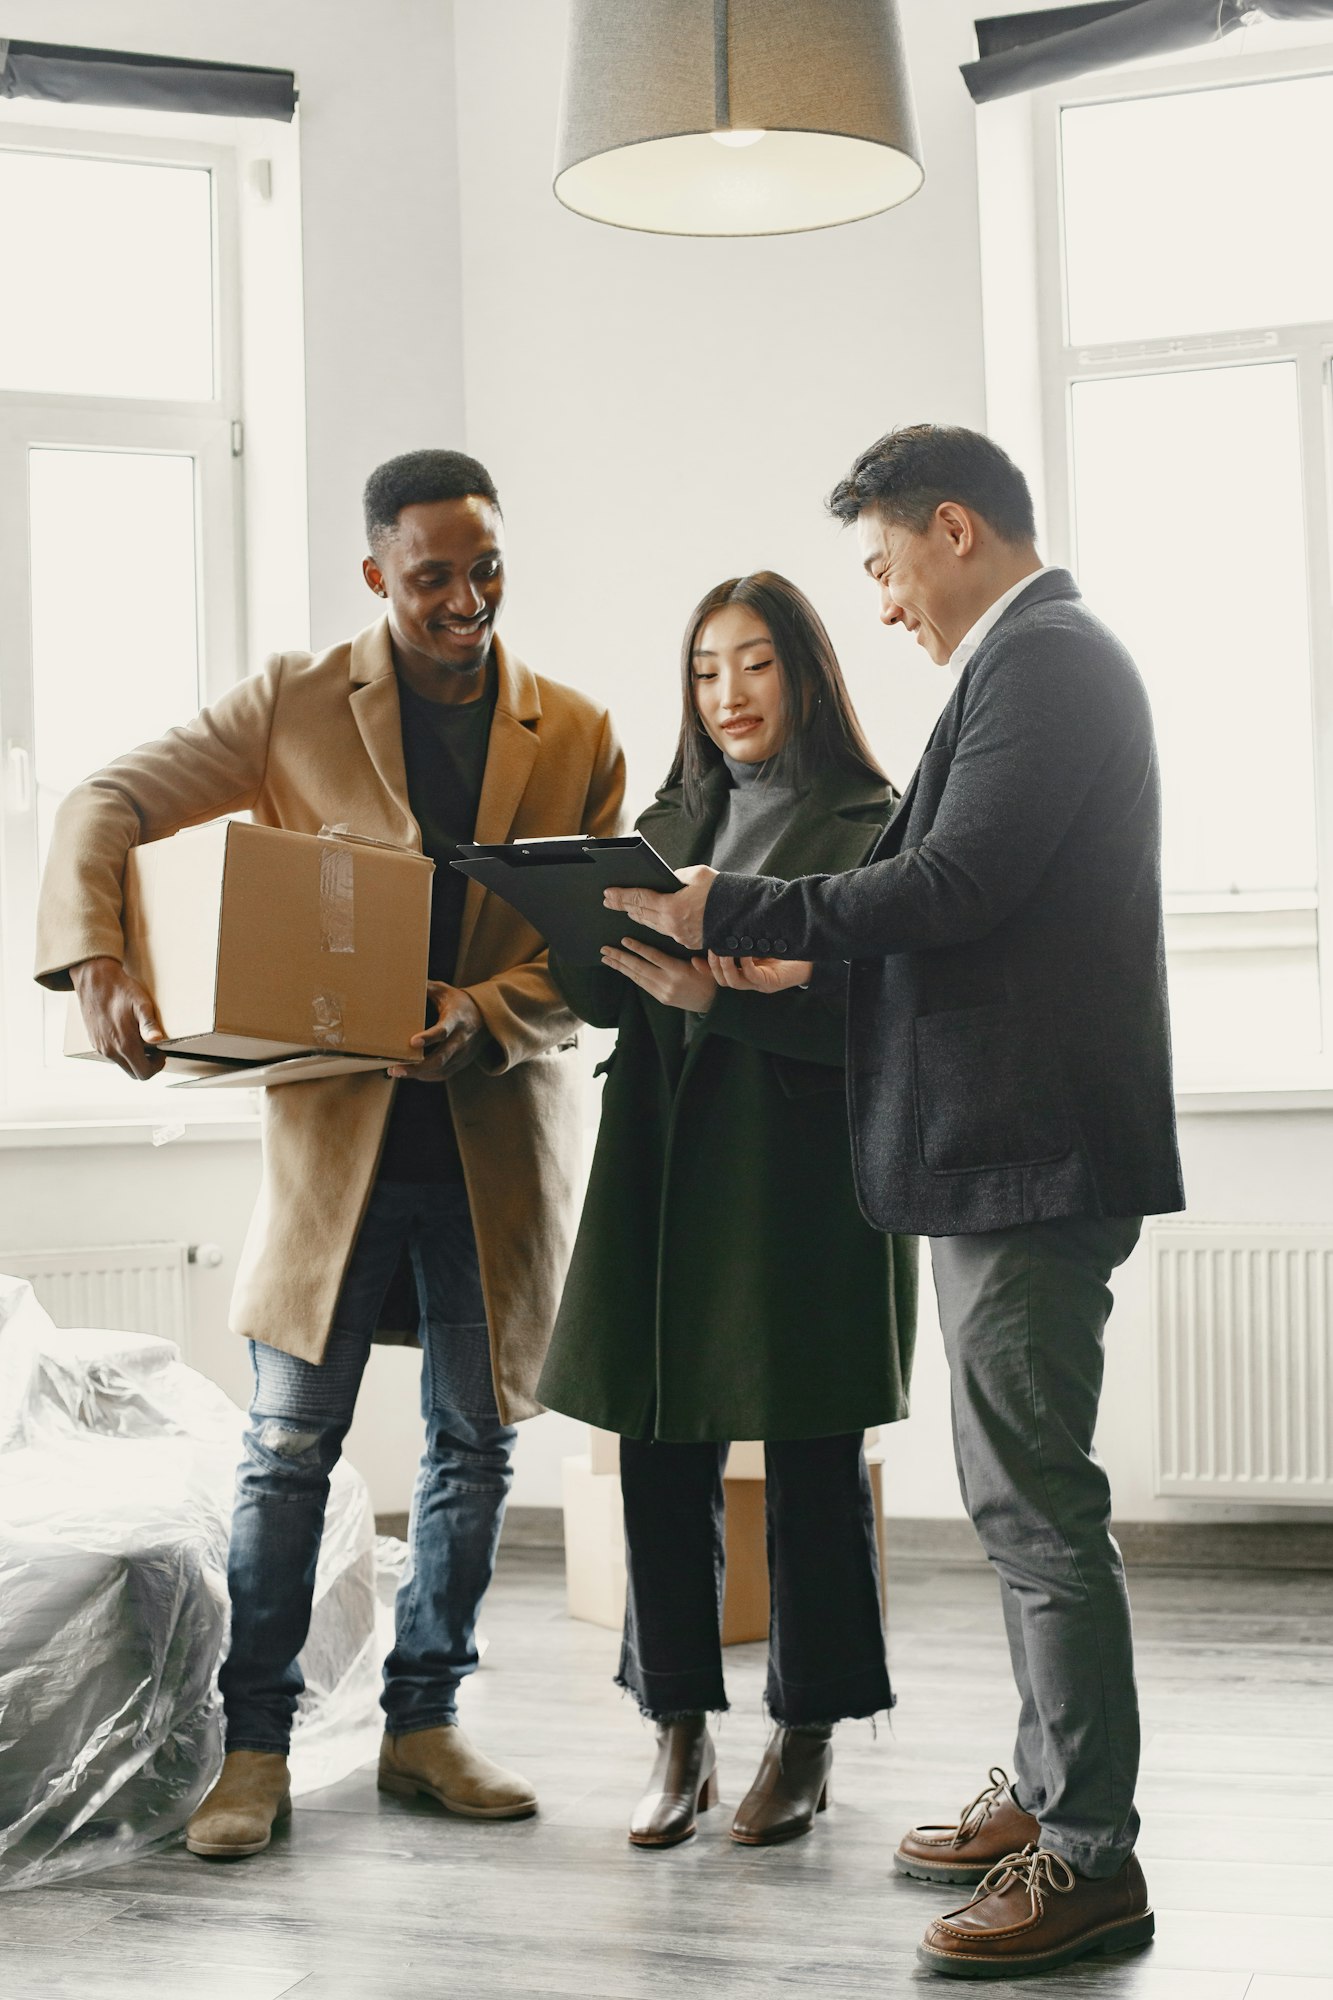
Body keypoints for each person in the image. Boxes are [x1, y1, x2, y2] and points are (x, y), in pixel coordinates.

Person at [604, 426, 1182, 1977]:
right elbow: (954, 909)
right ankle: (1052, 1795)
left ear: (951, 528)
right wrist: (790, 961)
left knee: (1035, 1511)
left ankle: (1087, 1859)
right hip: (1007, 1145)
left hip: (1032, 1149)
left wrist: (735, 908)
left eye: (882, 567)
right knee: (1018, 1505)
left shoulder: (1047, 662)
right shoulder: (1028, 668)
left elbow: (951, 885)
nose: (882, 604)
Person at [34, 449, 624, 1859]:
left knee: (472, 1451)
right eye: (433, 576)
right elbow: (103, 802)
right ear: (377, 574)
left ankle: (425, 1725)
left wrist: (485, 1015)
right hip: (333, 1152)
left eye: (485, 569)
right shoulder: (295, 700)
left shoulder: (579, 729)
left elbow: (598, 949)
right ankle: (257, 1753)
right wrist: (98, 957)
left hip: (495, 1144)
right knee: (288, 1448)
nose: (466, 600)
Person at [539, 572, 917, 1851]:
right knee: (660, 1441)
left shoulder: (873, 818)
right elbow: (607, 1000)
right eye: (707, 669)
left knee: (811, 1450)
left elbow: (882, 1021)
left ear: (804, 672)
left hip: (803, 1167)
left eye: (754, 664)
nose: (730, 694)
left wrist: (728, 1001)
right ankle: (678, 1728)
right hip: (664, 1158)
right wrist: (563, 922)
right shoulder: (667, 813)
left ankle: (806, 1728)